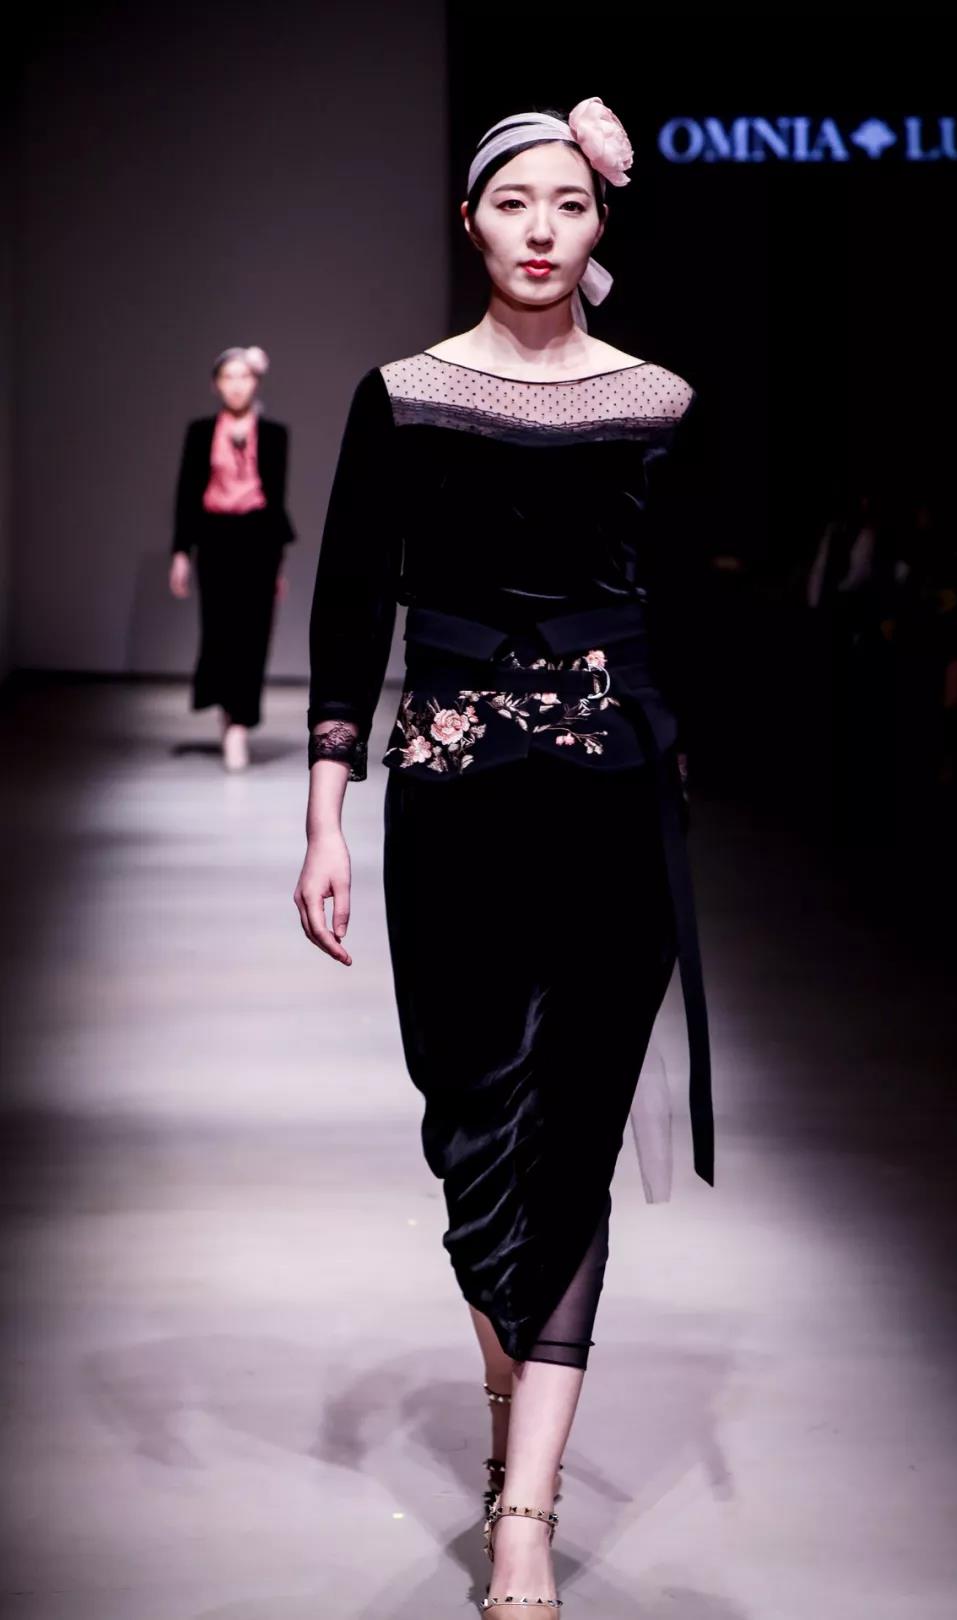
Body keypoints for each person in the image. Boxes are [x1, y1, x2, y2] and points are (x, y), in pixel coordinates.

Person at [294, 98, 714, 1613]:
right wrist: (325, 811)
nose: (542, 227)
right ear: (468, 219)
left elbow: (692, 609)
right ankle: (505, 1403)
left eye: (569, 204)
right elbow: (353, 602)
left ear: (599, 226)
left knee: (573, 1135)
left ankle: (524, 1510)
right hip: (451, 800)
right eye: (514, 201)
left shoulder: (657, 401)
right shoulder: (403, 397)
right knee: (473, 1135)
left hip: (614, 806)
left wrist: (678, 762)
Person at [169, 346, 296, 770]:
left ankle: (239, 724)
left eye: (244, 376)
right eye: (228, 377)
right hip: (215, 539)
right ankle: (228, 715)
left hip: (258, 541)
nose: (237, 385)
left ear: (256, 382)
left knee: (254, 634)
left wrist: (279, 565)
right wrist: (181, 553)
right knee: (220, 630)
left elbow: (276, 501)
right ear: (215, 384)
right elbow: (187, 493)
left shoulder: (274, 434)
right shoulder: (201, 432)